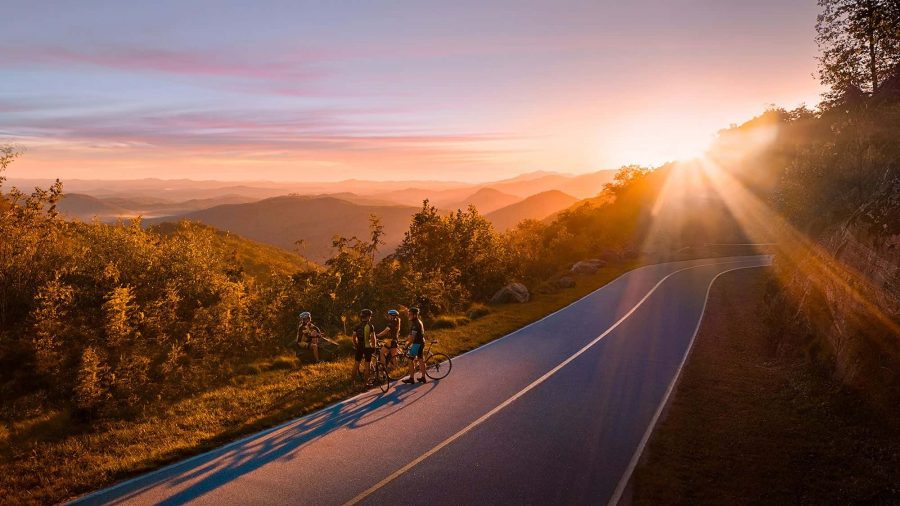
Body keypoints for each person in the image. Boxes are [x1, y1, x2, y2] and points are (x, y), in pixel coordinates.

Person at [402, 307, 427, 384]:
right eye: (408, 314)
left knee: (410, 360)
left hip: (417, 344)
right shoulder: (417, 322)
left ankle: (411, 378)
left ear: (415, 315)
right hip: (421, 342)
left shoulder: (415, 324)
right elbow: (411, 335)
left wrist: (406, 345)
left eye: (410, 314)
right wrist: (406, 340)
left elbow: (412, 338)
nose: (409, 315)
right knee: (420, 359)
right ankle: (423, 377)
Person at [352, 309, 377, 384]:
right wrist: (374, 347)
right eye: (370, 316)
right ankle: (365, 384)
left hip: (359, 347)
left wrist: (356, 345)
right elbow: (373, 338)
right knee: (367, 365)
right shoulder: (370, 326)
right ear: (368, 317)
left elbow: (353, 338)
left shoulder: (356, 326)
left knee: (356, 364)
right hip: (367, 347)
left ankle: (352, 382)